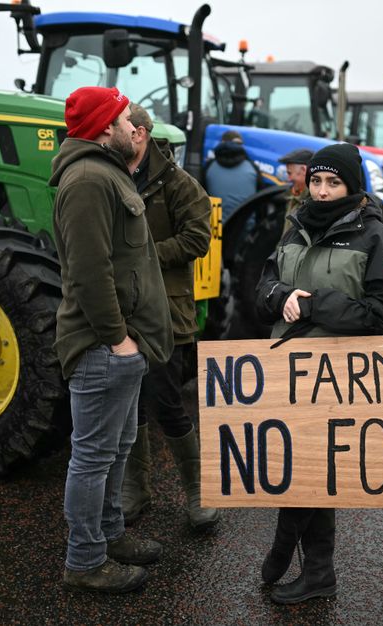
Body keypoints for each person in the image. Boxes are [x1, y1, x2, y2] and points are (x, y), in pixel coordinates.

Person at [255, 143, 383, 604]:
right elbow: (263, 285)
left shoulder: (375, 235)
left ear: (352, 186)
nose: (320, 191)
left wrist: (318, 304)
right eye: (316, 181)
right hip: (288, 369)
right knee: (296, 466)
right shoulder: (296, 226)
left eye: (332, 182)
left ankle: (306, 563)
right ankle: (304, 561)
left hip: (339, 376)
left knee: (318, 471)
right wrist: (280, 295)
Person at [50, 87, 173, 593]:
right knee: (93, 456)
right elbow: (88, 271)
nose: (134, 126)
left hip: (123, 344)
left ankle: (108, 536)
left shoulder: (107, 172)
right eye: (125, 118)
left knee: (117, 448)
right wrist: (117, 338)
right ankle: (84, 562)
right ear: (105, 127)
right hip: (104, 347)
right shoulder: (85, 180)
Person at [119, 103, 220, 531]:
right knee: (128, 401)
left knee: (166, 400)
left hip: (167, 309)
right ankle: (135, 488)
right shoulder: (111, 175)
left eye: (117, 125)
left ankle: (198, 489)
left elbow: (198, 239)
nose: (110, 133)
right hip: (123, 308)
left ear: (139, 133)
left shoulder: (179, 184)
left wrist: (142, 258)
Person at [204, 129, 262, 221]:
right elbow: (260, 201)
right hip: (244, 229)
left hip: (215, 229)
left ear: (222, 143)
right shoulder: (252, 167)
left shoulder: (209, 166)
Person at [278, 147, 314, 234]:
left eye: (290, 173)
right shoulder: (293, 197)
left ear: (303, 170)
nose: (289, 179)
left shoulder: (313, 203)